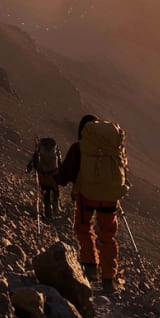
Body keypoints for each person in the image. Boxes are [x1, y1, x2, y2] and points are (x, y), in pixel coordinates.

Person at [55, 114, 129, 292]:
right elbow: (122, 171)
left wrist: (54, 178)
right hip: (110, 198)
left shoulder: (79, 148)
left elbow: (64, 175)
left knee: (84, 227)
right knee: (108, 236)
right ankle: (108, 279)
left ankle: (90, 268)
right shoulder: (113, 149)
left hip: (86, 195)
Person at [26, 137, 62, 218]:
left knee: (46, 193)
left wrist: (30, 167)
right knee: (55, 191)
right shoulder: (55, 153)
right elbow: (59, 163)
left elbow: (34, 160)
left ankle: (48, 212)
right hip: (53, 176)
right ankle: (55, 209)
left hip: (43, 176)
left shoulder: (39, 152)